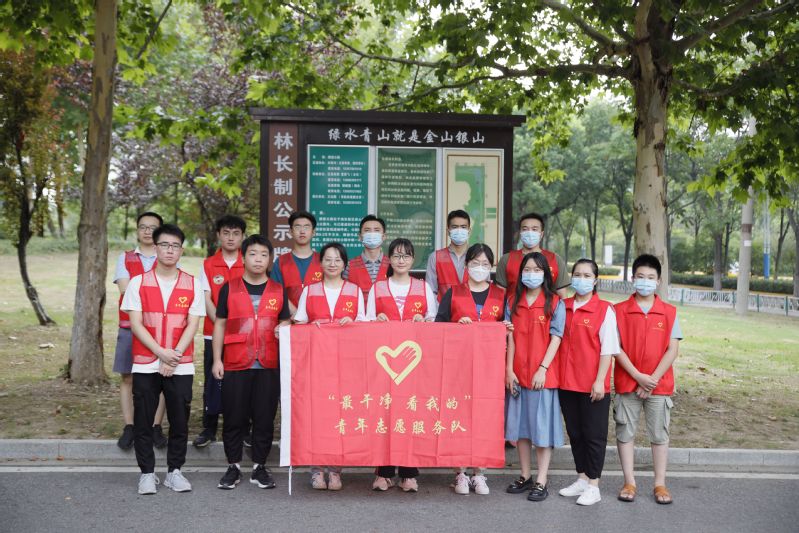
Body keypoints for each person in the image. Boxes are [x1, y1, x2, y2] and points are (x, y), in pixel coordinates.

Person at [121, 224, 205, 495]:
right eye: (165, 245)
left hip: (181, 363)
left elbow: (193, 324)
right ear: (155, 247)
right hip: (146, 361)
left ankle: (174, 472)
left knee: (179, 420)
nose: (170, 250)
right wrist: (160, 352)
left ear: (181, 250)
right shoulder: (138, 283)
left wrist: (173, 357)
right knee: (143, 420)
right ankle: (147, 473)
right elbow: (136, 324)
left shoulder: (193, 283)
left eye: (175, 246)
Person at [212, 235, 291, 490]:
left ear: (270, 260)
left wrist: (284, 326)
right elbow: (220, 324)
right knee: (234, 417)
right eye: (253, 254)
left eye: (264, 255)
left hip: (268, 364)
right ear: (243, 257)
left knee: (264, 418)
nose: (258, 259)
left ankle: (259, 467)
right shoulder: (229, 288)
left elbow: (286, 321)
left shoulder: (278, 290)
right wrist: (217, 359)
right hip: (236, 362)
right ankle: (233, 466)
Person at [435, 242, 509, 496]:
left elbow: (506, 327)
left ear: (492, 266)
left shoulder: (500, 295)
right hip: (458, 367)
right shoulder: (453, 293)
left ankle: (479, 472)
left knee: (485, 418)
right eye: (475, 263)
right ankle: (460, 472)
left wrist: (505, 328)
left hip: (489, 368)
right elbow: (438, 327)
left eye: (485, 264)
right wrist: (457, 325)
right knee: (459, 416)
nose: (480, 268)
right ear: (466, 265)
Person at [293, 242, 367, 491]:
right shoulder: (310, 290)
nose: (333, 264)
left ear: (344, 263)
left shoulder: (354, 291)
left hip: (347, 365)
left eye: (337, 260)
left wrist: (351, 323)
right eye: (328, 259)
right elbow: (299, 324)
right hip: (316, 363)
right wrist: (310, 328)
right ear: (321, 262)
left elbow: (365, 326)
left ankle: (335, 469)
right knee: (317, 415)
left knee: (341, 416)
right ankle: (316, 470)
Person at [366, 238, 437, 493]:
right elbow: (365, 321)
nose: (401, 260)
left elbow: (434, 322)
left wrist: (423, 321)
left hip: (414, 363)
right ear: (389, 259)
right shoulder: (378, 288)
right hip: (384, 365)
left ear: (413, 259)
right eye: (396, 256)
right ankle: (383, 473)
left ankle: (409, 473)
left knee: (411, 413)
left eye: (406, 256)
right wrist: (377, 320)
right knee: (384, 414)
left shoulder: (423, 287)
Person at [613, 254, 681, 505]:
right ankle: (629, 481)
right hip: (628, 382)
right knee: (625, 432)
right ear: (633, 278)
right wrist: (637, 376)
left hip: (658, 386)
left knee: (659, 434)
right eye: (640, 276)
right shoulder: (618, 311)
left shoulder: (669, 312)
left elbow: (672, 350)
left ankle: (660, 483)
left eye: (651, 277)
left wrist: (651, 380)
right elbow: (615, 347)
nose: (645, 281)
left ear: (658, 281)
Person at [557, 259, 620, 506]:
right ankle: (582, 478)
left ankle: (594, 485)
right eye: (577, 274)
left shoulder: (604, 310)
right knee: (575, 433)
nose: (581, 279)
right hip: (566, 382)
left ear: (595, 281)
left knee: (594, 435)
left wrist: (600, 381)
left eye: (587, 275)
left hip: (592, 384)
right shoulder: (563, 306)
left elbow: (608, 348)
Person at [504, 252, 565, 502]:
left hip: (542, 376)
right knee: (521, 429)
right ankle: (525, 475)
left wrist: (543, 368)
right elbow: (509, 337)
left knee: (541, 430)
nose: (532, 274)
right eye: (527, 270)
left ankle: (541, 479)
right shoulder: (512, 301)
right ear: (520, 274)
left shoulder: (555, 302)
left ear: (545, 274)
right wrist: (509, 370)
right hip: (518, 374)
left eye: (537, 270)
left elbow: (556, 337)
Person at [113, 211, 167, 451]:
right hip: (128, 326)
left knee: (161, 377)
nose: (147, 231)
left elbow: (171, 290)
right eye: (143, 227)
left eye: (152, 227)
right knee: (128, 376)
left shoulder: (168, 255)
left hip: (162, 327)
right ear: (137, 230)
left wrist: (143, 291)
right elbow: (125, 291)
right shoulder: (124, 258)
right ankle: (130, 426)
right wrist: (154, 292)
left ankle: (155, 426)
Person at [193, 215, 246, 448]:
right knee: (213, 379)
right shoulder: (208, 264)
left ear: (242, 236)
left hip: (244, 335)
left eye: (236, 233)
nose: (231, 238)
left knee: (242, 382)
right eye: (226, 233)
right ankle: (209, 427)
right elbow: (206, 299)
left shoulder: (249, 261)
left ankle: (243, 428)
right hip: (213, 332)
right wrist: (223, 326)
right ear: (218, 235)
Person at [496, 212, 570, 298]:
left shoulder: (555, 260)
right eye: (525, 229)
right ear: (520, 233)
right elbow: (500, 296)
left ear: (541, 234)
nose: (529, 233)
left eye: (534, 229)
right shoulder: (507, 259)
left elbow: (563, 296)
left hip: (547, 307)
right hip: (514, 306)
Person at [270, 211, 322, 314]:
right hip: (289, 318)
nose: (302, 231)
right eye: (297, 227)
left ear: (313, 232)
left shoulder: (323, 260)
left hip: (319, 318)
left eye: (306, 227)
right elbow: (275, 291)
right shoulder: (281, 262)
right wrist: (295, 313)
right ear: (290, 232)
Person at [425, 209, 471, 301]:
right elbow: (430, 292)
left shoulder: (477, 257)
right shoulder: (436, 257)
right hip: (443, 309)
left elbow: (484, 289)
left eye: (463, 227)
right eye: (455, 227)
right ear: (448, 231)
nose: (459, 231)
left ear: (469, 231)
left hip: (471, 309)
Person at [344, 214, 389, 300]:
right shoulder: (349, 266)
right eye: (367, 230)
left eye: (376, 230)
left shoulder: (392, 264)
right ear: (360, 237)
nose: (372, 234)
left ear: (384, 236)